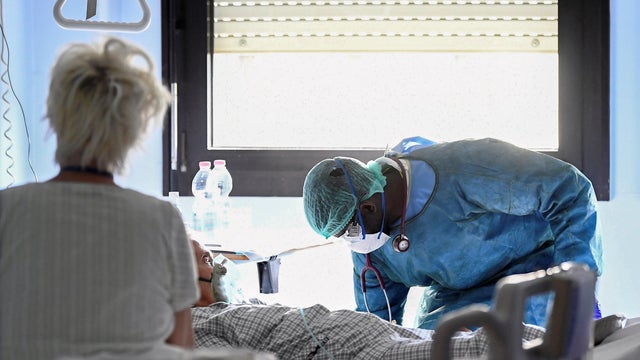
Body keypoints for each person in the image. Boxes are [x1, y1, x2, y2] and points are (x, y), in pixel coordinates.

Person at [0, 37, 198, 360]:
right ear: (132, 131)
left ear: (54, 117)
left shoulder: (6, 210)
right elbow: (182, 347)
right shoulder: (161, 219)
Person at [301, 136, 603, 330]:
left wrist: (577, 283)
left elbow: (568, 189)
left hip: (534, 270)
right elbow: (377, 325)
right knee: (434, 344)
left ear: (367, 207)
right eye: (340, 236)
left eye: (349, 230)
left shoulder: (462, 170)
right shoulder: (371, 249)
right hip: (457, 296)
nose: (351, 241)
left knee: (509, 333)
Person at [189, 239, 552, 359]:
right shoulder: (195, 326)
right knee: (470, 348)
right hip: (351, 353)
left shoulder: (238, 306)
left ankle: (583, 335)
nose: (220, 266)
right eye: (208, 261)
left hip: (362, 331)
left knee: (476, 335)